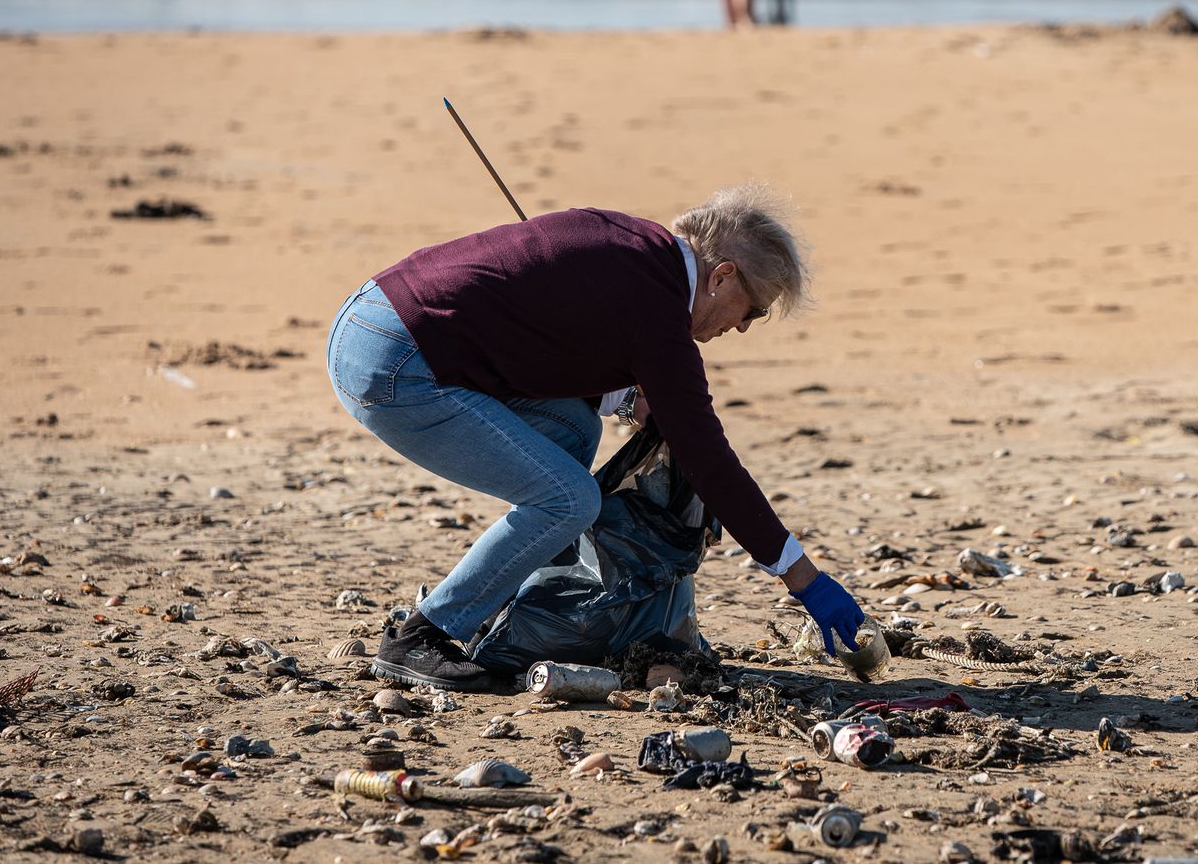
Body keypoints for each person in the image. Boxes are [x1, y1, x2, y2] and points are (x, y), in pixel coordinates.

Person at [325, 185, 865, 691]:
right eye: (756, 308)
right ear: (722, 276)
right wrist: (803, 579)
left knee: (573, 430)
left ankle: (518, 607)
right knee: (568, 499)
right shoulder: (658, 315)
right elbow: (708, 460)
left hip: (370, 317)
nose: (745, 326)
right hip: (395, 366)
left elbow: (542, 339)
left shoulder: (634, 244)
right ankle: (420, 635)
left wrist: (625, 399)